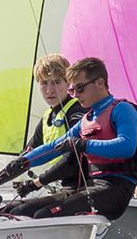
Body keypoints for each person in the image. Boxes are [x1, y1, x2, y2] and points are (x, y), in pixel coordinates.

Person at [0, 57, 137, 220]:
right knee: (17, 211)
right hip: (92, 187)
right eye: (73, 90)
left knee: (43, 216)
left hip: (116, 190)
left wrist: (84, 144)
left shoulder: (122, 109)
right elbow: (53, 147)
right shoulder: (87, 120)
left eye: (80, 88)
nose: (76, 94)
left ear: (100, 83)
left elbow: (126, 147)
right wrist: (20, 163)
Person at [12, 53, 86, 196]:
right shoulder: (47, 117)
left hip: (80, 187)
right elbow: (25, 156)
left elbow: (72, 161)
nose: (49, 90)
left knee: (27, 212)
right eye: (44, 83)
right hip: (60, 185)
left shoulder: (77, 111)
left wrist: (38, 182)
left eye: (56, 82)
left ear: (68, 83)